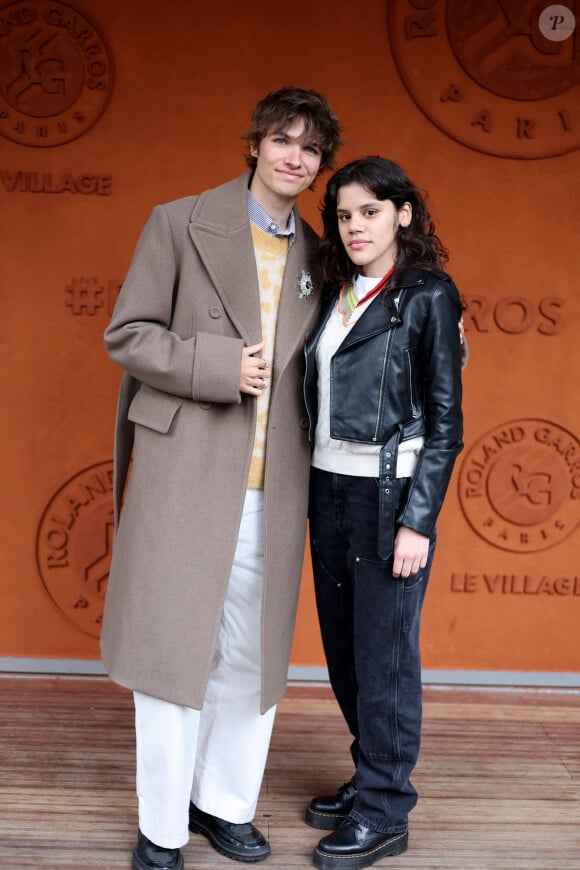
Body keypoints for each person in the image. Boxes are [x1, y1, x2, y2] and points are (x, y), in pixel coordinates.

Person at [100, 86, 342, 870]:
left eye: (309, 148)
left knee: (251, 660)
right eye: (283, 140)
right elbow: (127, 334)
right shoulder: (179, 221)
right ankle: (162, 827)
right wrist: (215, 365)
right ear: (255, 144)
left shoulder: (318, 256)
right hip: (186, 476)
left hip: (276, 490)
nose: (294, 157)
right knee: (174, 658)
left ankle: (223, 804)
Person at [302, 156, 464, 869]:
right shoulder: (334, 290)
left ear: (403, 213)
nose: (355, 226)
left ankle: (385, 808)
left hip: (388, 496)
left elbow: (445, 420)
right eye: (343, 214)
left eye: (370, 210)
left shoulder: (428, 294)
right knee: (345, 652)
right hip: (326, 488)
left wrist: (416, 521)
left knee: (385, 656)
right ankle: (373, 770)